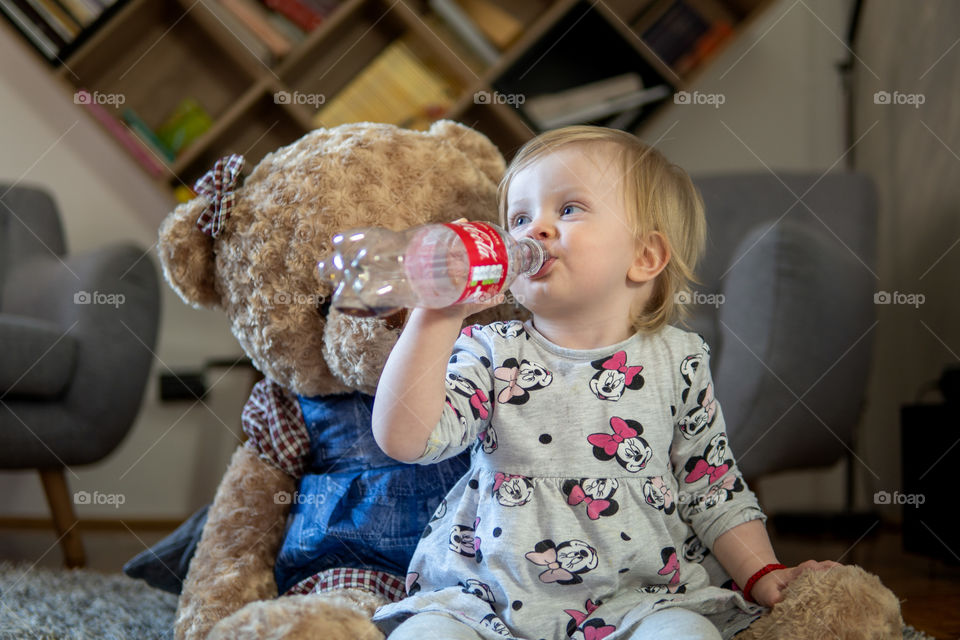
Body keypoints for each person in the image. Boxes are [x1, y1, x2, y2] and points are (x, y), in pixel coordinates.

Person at [370, 126, 838, 640]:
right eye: (520, 218)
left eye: (568, 209)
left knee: (688, 634)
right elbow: (407, 439)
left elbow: (713, 487)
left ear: (644, 257)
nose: (535, 232)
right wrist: (436, 317)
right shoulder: (489, 348)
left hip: (633, 598)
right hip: (485, 596)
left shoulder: (678, 360)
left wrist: (764, 573)